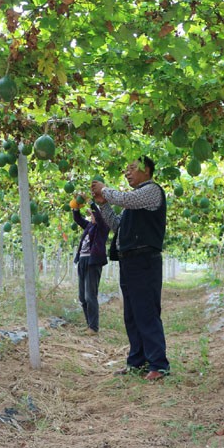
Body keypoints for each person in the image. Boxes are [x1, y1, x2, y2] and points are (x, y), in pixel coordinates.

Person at [91, 156, 169, 381]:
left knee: (146, 312)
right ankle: (137, 361)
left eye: (132, 168)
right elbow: (117, 225)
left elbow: (125, 199)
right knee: (132, 314)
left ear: (147, 169)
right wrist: (104, 205)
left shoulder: (151, 191)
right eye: (126, 170)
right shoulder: (134, 203)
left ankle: (158, 364)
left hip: (144, 259)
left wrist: (105, 190)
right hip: (130, 260)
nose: (127, 173)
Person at [72, 198, 110, 334]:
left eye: (93, 215)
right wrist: (76, 206)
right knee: (82, 297)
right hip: (82, 261)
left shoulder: (103, 227)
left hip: (93, 262)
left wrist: (91, 203)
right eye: (92, 215)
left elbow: (99, 217)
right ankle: (89, 325)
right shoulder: (89, 226)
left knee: (90, 296)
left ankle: (94, 327)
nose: (92, 217)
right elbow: (78, 219)